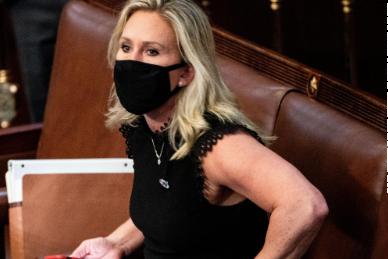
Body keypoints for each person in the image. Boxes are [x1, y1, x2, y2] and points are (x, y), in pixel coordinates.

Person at [71, 0, 328, 258]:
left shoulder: (218, 146)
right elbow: (171, 211)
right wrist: (116, 243)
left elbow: (305, 205)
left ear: (185, 73)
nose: (132, 62)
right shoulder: (146, 126)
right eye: (126, 47)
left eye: (152, 52)